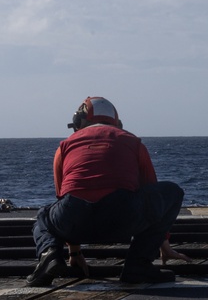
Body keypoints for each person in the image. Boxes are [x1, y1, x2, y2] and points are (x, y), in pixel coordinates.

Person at [27, 96, 189, 286]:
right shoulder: (133, 142)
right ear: (117, 122)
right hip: (121, 221)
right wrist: (163, 243)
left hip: (75, 221)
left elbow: (63, 197)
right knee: (172, 192)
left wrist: (75, 251)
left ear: (79, 122)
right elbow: (151, 196)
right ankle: (138, 265)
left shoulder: (64, 146)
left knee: (44, 216)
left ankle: (49, 255)